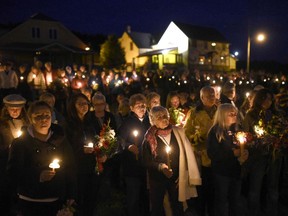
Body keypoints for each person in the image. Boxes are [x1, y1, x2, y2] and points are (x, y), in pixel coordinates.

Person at [7, 100, 77, 216]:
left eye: (47, 115)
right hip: (29, 200)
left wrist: (71, 194)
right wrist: (37, 176)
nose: (44, 119)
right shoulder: (20, 143)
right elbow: (13, 173)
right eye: (38, 116)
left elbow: (70, 168)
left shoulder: (61, 141)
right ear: (31, 119)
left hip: (55, 199)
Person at [142, 106, 201, 216]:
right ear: (152, 120)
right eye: (159, 117)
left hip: (176, 178)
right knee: (157, 207)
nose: (163, 118)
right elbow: (146, 160)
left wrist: (182, 174)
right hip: (157, 179)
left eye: (165, 115)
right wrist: (161, 167)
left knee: (177, 206)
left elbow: (186, 154)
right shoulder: (149, 137)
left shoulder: (178, 132)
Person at [242, 88, 283, 216]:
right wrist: (255, 140)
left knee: (272, 187)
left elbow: (281, 132)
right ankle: (253, 211)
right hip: (257, 157)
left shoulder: (276, 115)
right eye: (265, 98)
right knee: (255, 187)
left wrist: (277, 140)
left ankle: (272, 210)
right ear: (259, 99)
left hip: (273, 156)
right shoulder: (251, 115)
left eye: (270, 99)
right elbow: (245, 134)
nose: (268, 102)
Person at [207, 103, 248, 216]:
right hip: (222, 172)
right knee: (222, 200)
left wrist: (244, 152)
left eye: (235, 113)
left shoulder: (237, 128)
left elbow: (243, 144)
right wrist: (232, 153)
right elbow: (213, 153)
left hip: (236, 171)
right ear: (222, 115)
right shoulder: (215, 131)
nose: (234, 115)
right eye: (231, 114)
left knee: (235, 200)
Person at [184, 86, 217, 216]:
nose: (211, 98)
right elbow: (187, 133)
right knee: (201, 189)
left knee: (214, 190)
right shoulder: (194, 113)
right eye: (208, 96)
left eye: (213, 95)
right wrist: (196, 140)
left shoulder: (219, 111)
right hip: (200, 157)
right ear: (202, 98)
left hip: (216, 156)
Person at [118, 93, 151, 216]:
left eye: (143, 105)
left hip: (147, 165)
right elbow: (120, 140)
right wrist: (129, 146)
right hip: (132, 166)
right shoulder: (127, 122)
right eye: (138, 106)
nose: (142, 108)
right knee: (133, 196)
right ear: (131, 108)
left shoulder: (150, 120)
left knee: (146, 196)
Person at [65, 93, 98, 216]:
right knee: (78, 198)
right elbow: (66, 146)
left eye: (86, 103)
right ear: (73, 106)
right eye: (80, 104)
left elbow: (96, 139)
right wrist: (80, 150)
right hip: (76, 167)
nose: (84, 106)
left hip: (91, 165)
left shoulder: (90, 121)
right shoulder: (68, 124)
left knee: (91, 197)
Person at [0, 94, 27, 215]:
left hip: (24, 162)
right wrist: (8, 147)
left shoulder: (28, 124)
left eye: (18, 109)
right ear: (6, 109)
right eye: (12, 109)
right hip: (6, 163)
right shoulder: (2, 125)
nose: (15, 111)